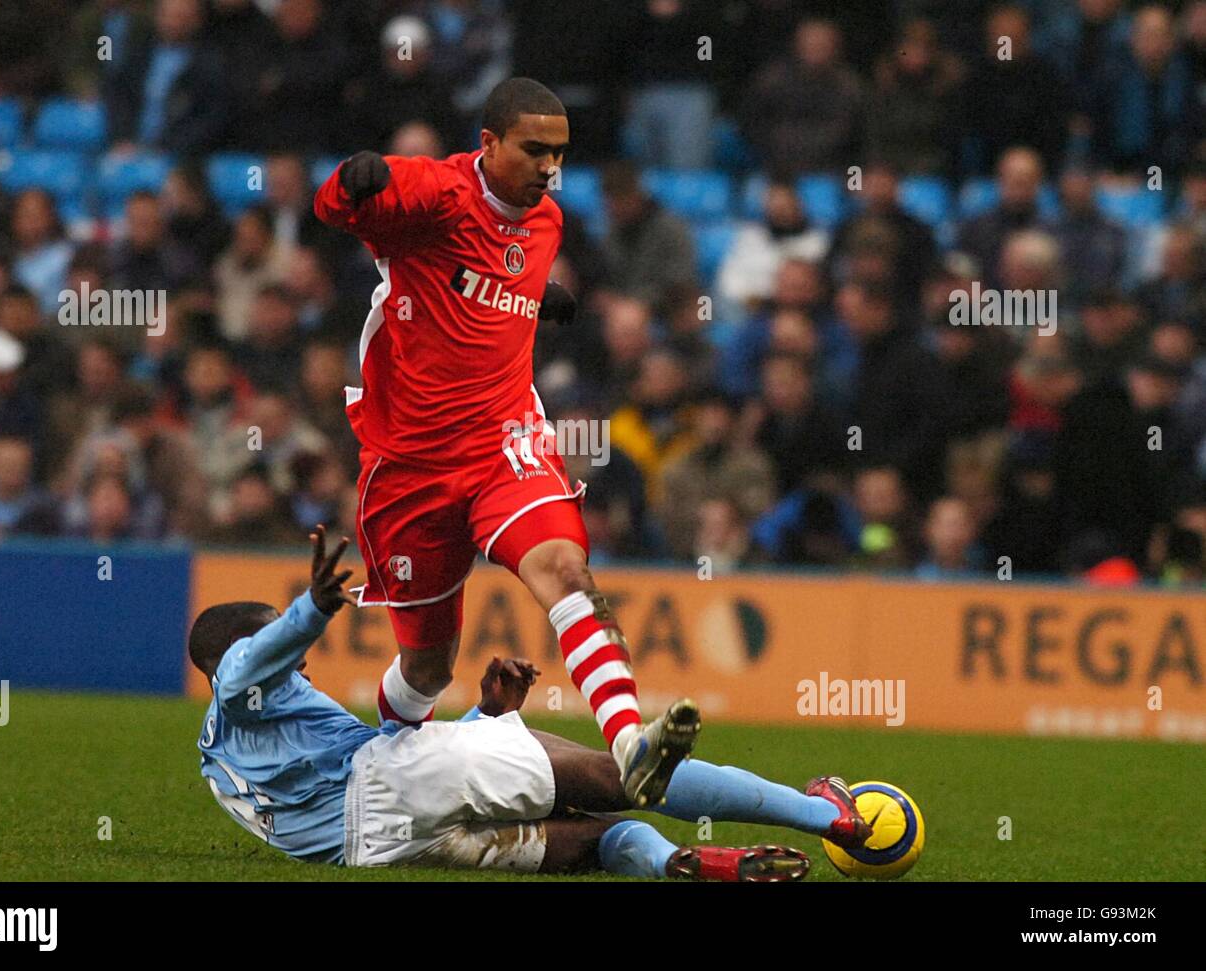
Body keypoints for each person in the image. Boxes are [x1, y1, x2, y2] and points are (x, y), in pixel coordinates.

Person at [313, 77, 698, 807]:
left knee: (564, 568)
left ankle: (629, 741)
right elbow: (336, 206)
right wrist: (349, 179)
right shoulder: (433, 192)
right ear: (488, 145)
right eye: (533, 151)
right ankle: (382, 781)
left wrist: (531, 295)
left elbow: (492, 275)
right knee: (426, 666)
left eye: (559, 153)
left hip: (504, 442)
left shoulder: (547, 219)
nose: (549, 168)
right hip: (411, 464)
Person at [191, 526, 873, 878]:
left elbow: (388, 781)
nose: (300, 661)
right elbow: (247, 667)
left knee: (599, 842)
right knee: (622, 776)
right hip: (389, 781)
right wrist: (309, 609)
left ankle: (680, 863)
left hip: (383, 848)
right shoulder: (240, 686)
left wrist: (485, 718)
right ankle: (831, 816)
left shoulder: (217, 761)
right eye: (280, 644)